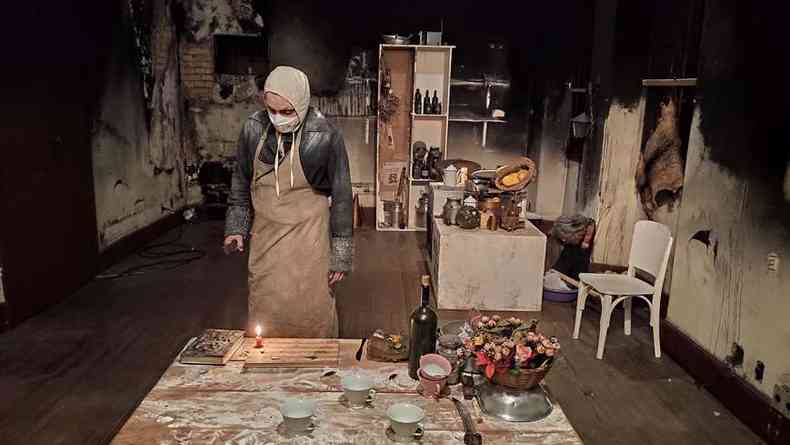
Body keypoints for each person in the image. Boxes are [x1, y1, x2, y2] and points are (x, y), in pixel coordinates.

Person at [224, 66, 353, 338]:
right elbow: (240, 179)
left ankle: (317, 367)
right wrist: (236, 227)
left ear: (303, 103)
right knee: (266, 307)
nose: (278, 118)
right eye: (272, 111)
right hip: (266, 239)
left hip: (309, 241)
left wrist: (340, 256)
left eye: (287, 112)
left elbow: (341, 197)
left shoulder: (325, 135)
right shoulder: (253, 129)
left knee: (312, 310)